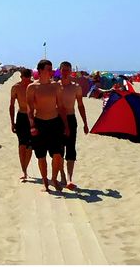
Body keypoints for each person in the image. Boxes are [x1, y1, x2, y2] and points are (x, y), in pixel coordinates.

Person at [26, 60, 69, 193]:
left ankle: (54, 178)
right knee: (41, 155)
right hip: (40, 122)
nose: (51, 71)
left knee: (57, 154)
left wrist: (66, 125)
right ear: (40, 71)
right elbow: (29, 108)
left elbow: (61, 107)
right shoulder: (32, 87)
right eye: (48, 69)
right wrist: (32, 124)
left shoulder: (56, 86)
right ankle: (45, 182)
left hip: (54, 122)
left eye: (51, 69)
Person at [57, 61, 89, 191]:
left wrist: (85, 123)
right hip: (57, 120)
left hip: (71, 118)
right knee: (58, 150)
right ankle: (62, 175)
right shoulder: (55, 86)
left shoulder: (76, 87)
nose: (65, 72)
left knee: (71, 149)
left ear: (71, 72)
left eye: (67, 70)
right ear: (60, 71)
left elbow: (80, 105)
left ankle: (70, 178)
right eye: (63, 70)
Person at [9, 68, 34, 181]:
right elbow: (11, 105)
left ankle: (25, 168)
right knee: (22, 144)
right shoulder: (16, 87)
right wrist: (12, 122)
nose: (27, 80)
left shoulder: (34, 86)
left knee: (30, 145)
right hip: (21, 116)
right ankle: (24, 170)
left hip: (32, 117)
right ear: (21, 77)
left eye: (28, 78)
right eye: (25, 78)